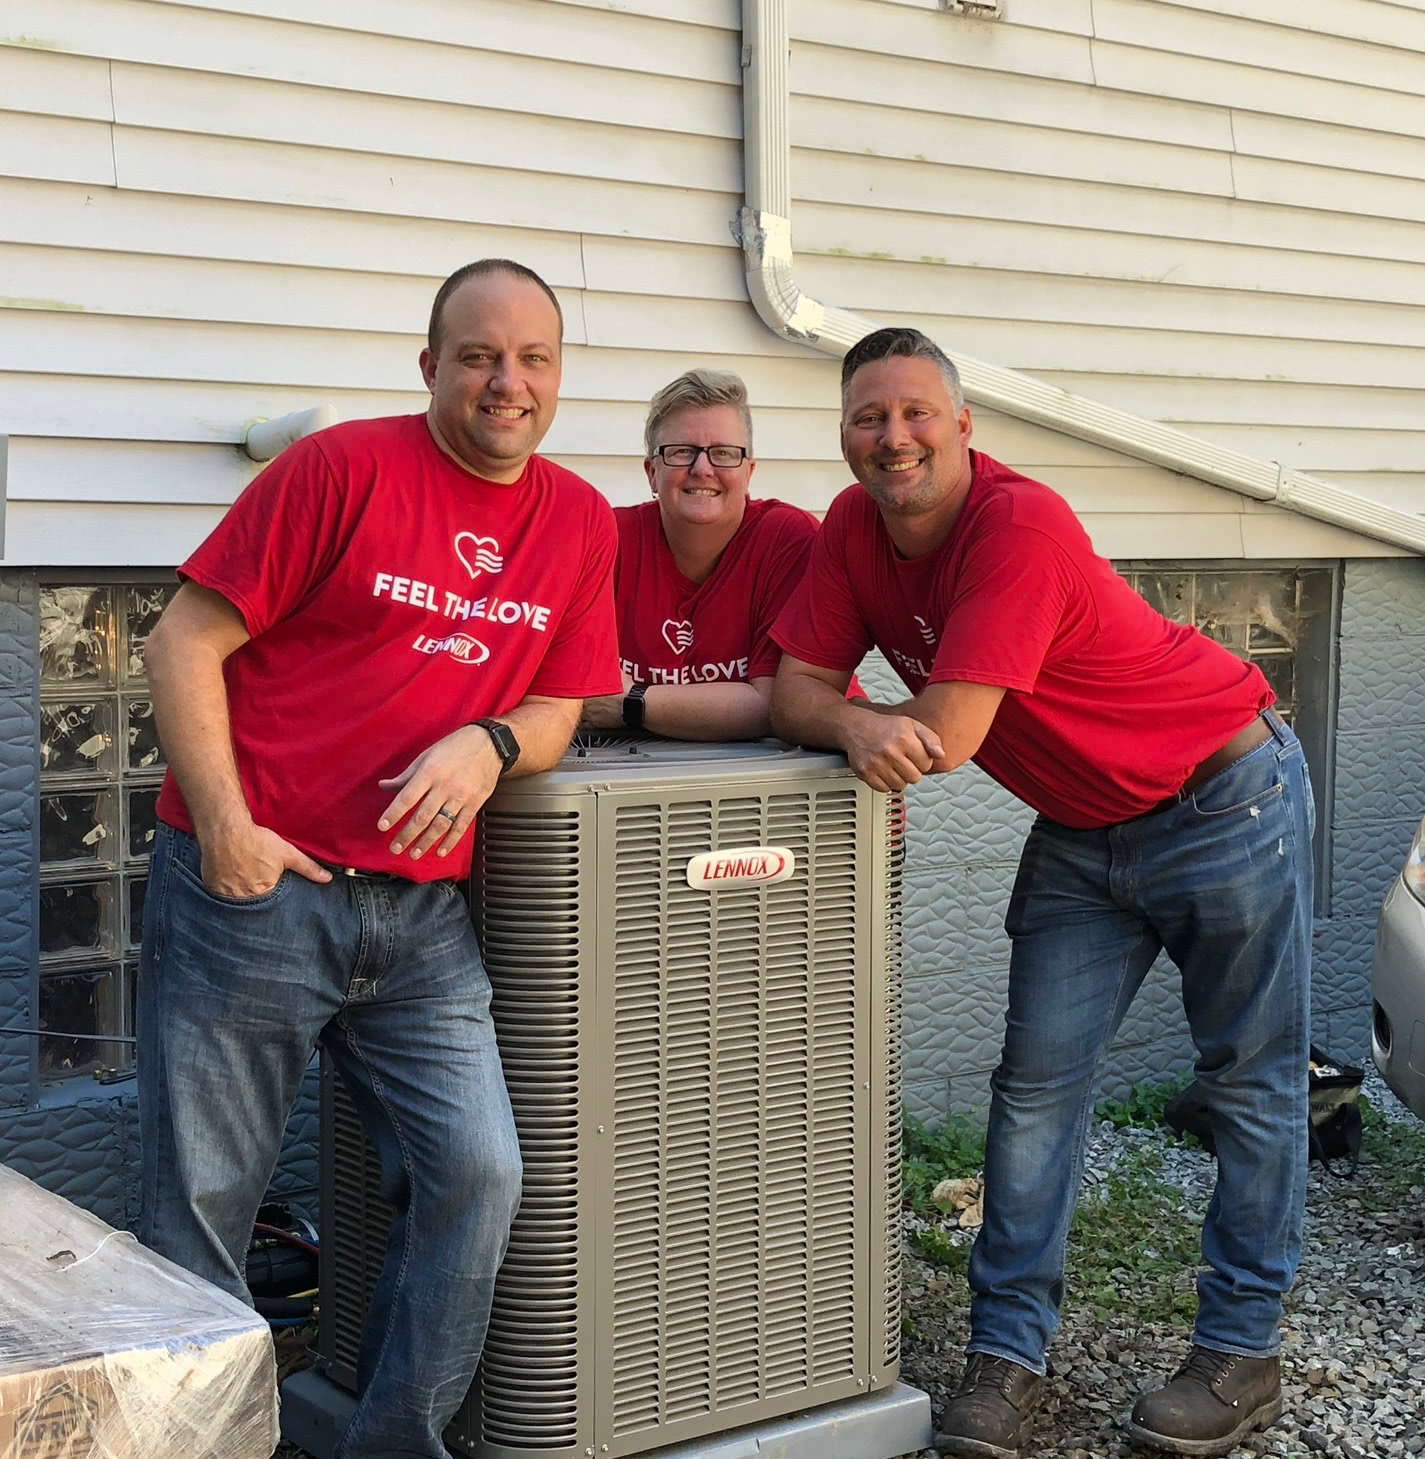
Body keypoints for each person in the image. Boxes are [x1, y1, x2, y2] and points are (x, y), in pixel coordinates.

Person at [769, 326, 1314, 1459]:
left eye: (918, 413)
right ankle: (1006, 1362)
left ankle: (1241, 1351)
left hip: (1227, 795)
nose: (894, 437)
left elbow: (952, 732)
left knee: (1249, 1086)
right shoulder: (850, 531)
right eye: (870, 417)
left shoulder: (1018, 523)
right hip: (1083, 829)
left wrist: (863, 717)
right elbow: (797, 689)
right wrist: (855, 718)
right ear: (844, 434)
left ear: (964, 426)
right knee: (1032, 1092)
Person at [138, 259, 622, 1459]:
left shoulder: (576, 521)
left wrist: (491, 740)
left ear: (559, 378)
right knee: (202, 1211)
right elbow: (180, 643)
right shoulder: (341, 468)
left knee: (477, 1180)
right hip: (260, 896)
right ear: (431, 369)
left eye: (532, 359)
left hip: (420, 924)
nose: (505, 382)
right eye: (477, 356)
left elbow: (569, 701)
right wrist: (234, 831)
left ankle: (396, 1442)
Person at [581, 368, 853, 740]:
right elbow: (570, 689)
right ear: (651, 472)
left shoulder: (787, 538)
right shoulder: (608, 539)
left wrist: (631, 702)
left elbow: (777, 705)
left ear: (749, 472)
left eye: (724, 453)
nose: (702, 469)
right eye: (681, 452)